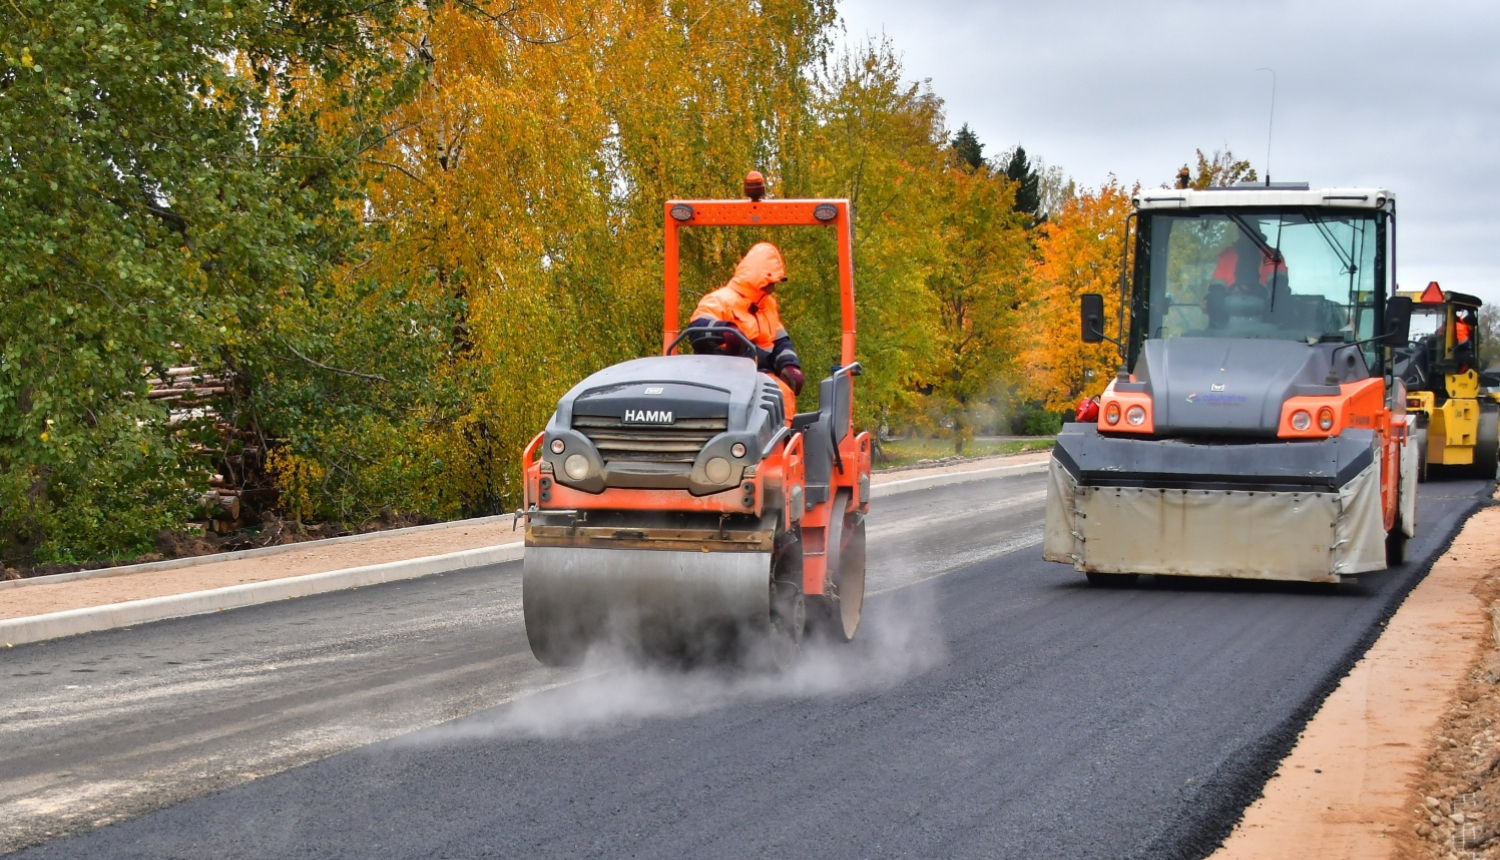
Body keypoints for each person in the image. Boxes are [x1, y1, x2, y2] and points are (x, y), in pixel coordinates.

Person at [685, 242, 804, 418]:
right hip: (721, 371)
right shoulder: (719, 300)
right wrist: (725, 331)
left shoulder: (768, 305)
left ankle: (780, 442)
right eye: (770, 282)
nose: (773, 287)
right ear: (758, 279)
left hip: (758, 375)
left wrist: (790, 365)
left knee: (781, 393)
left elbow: (780, 341)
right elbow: (696, 328)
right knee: (763, 396)